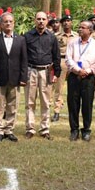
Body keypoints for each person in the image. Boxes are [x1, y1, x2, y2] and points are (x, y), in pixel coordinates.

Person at [0, 12, 27, 142]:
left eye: (10, 21)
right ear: (0, 24)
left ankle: (9, 129)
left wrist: (23, 78)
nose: (8, 23)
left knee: (13, 106)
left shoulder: (21, 40)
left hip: (15, 78)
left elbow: (24, 61)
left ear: (14, 23)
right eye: (5, 21)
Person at [24, 11, 61, 140]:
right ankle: (30, 128)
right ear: (35, 20)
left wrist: (57, 73)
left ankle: (45, 129)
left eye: (43, 19)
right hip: (31, 71)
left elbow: (56, 56)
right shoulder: (27, 36)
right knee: (30, 102)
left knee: (46, 102)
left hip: (46, 72)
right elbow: (23, 56)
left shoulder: (51, 37)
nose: (41, 21)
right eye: (38, 19)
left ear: (47, 21)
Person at [65, 20, 95, 142]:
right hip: (74, 76)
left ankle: (86, 130)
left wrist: (87, 71)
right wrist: (78, 70)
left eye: (83, 27)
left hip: (88, 78)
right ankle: (74, 130)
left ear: (90, 31)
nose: (80, 29)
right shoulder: (72, 42)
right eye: (79, 27)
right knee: (73, 104)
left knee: (87, 104)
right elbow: (68, 59)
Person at [53, 9, 77, 122]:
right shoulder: (56, 36)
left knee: (74, 89)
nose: (66, 23)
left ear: (71, 23)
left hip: (74, 62)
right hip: (61, 61)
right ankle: (57, 111)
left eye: (68, 21)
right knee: (59, 88)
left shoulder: (77, 36)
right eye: (64, 21)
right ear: (62, 23)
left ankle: (73, 111)